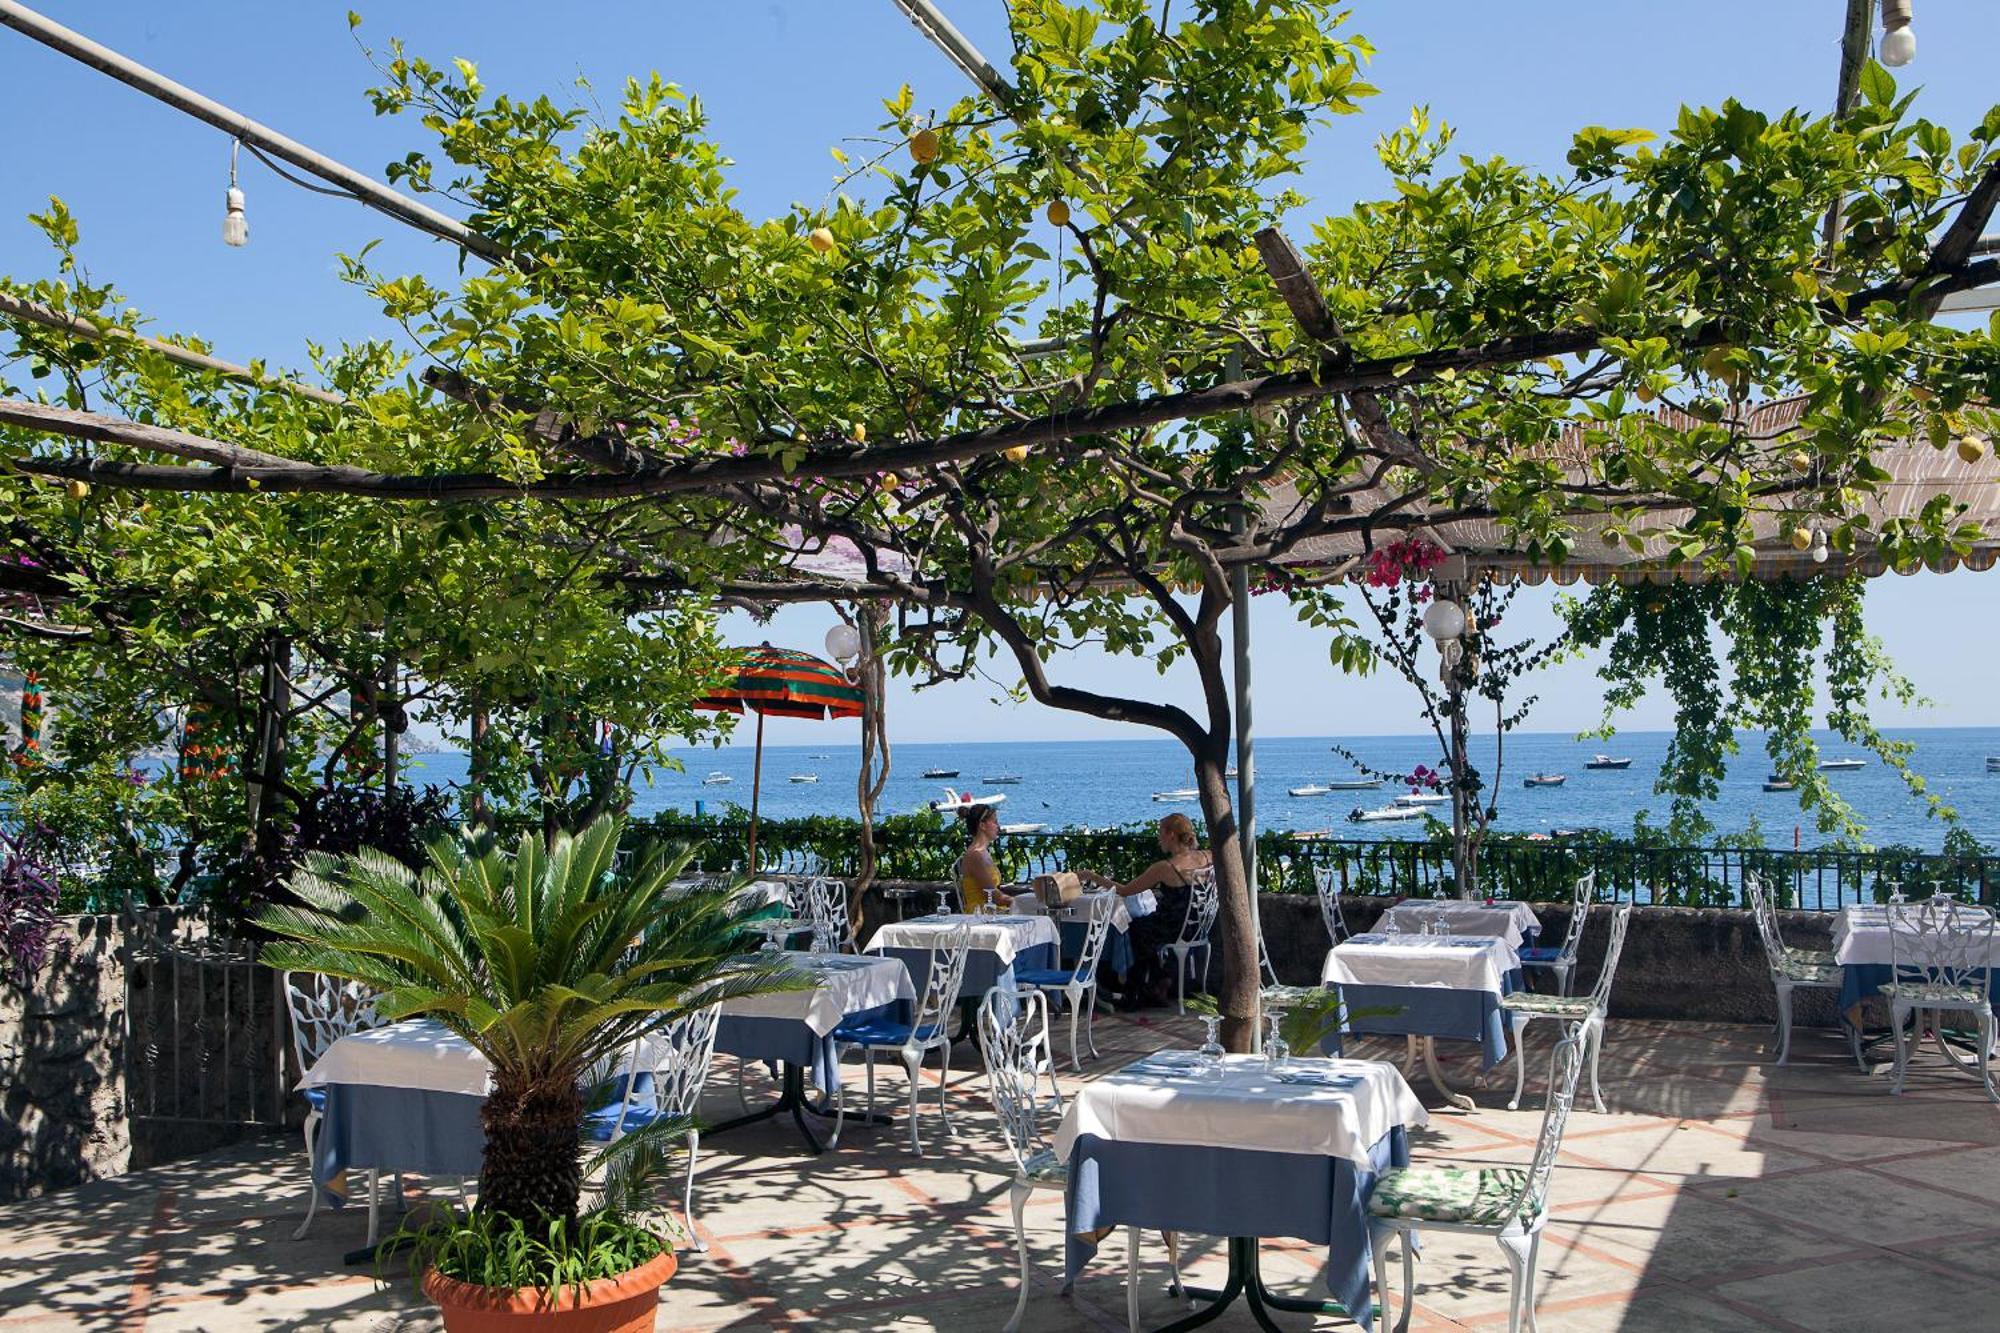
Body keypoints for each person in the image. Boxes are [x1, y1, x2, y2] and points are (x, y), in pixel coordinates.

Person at [1079, 813, 1212, 1009]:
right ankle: (1158, 982)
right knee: (1143, 925)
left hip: (1173, 928)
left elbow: (1125, 891)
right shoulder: (1208, 856)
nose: (1158, 838)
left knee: (1132, 929)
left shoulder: (1165, 868)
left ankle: (1136, 991)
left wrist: (1091, 876)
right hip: (1199, 926)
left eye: (1161, 833)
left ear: (1171, 835)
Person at [955, 803, 1003, 913]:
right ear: (982, 825)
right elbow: (994, 896)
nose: (998, 826)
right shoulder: (975, 855)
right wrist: (1022, 901)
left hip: (991, 911)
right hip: (980, 914)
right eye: (995, 822)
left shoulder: (983, 852)